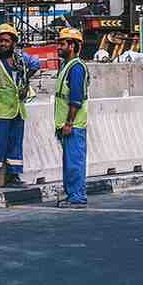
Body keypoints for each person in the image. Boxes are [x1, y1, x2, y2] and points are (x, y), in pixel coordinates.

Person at [0, 23, 40, 187]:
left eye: (7, 41)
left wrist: (26, 81)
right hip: (1, 111)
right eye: (1, 41)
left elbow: (36, 64)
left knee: (15, 144)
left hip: (18, 111)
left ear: (14, 43)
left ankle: (14, 176)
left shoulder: (20, 60)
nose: (3, 44)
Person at [55, 27, 89, 207]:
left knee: (75, 163)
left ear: (73, 46)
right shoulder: (67, 66)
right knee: (69, 163)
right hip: (66, 125)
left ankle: (77, 197)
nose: (58, 47)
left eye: (62, 44)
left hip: (73, 125)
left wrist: (69, 122)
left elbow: (76, 99)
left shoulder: (76, 68)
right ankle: (72, 195)